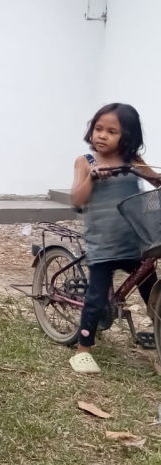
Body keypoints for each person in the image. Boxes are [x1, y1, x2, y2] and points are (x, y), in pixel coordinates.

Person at [70, 103, 160, 374]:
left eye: (112, 131)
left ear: (128, 137)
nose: (102, 135)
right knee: (96, 299)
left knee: (153, 297)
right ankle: (83, 350)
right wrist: (93, 179)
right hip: (103, 245)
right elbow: (77, 200)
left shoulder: (133, 162)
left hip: (136, 243)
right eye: (98, 129)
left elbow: (154, 180)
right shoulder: (86, 162)